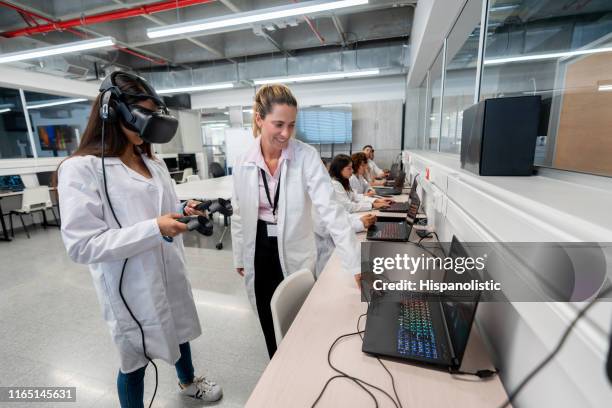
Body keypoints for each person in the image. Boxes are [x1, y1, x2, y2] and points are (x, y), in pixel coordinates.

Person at [57, 72, 222, 407]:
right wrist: (155, 228)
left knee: (179, 330)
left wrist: (182, 207)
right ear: (114, 113)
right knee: (134, 359)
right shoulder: (81, 168)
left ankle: (188, 382)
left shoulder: (152, 160)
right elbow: (81, 245)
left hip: (168, 268)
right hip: (129, 285)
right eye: (143, 115)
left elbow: (158, 207)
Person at [231, 84, 361, 358]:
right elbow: (240, 212)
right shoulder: (243, 161)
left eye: (291, 125)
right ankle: (277, 370)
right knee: (269, 319)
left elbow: (331, 209)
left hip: (295, 246)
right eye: (278, 124)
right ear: (259, 119)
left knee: (301, 320)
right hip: (259, 248)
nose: (286, 133)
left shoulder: (305, 156)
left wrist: (356, 263)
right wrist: (240, 257)